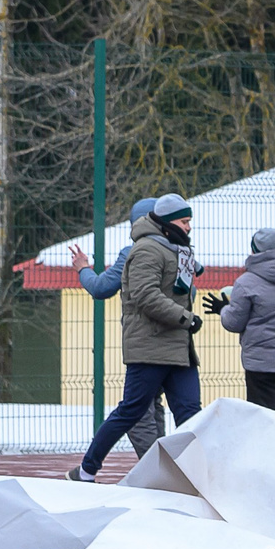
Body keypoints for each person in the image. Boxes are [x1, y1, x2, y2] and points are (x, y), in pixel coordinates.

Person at [71, 194, 201, 481]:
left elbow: (182, 295)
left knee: (189, 413)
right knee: (136, 411)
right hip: (151, 345)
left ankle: (188, 474)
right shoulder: (140, 252)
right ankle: (92, 468)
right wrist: (84, 271)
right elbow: (121, 291)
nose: (189, 227)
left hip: (178, 346)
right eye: (184, 221)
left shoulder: (179, 252)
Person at [70, 197, 168, 458]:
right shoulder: (181, 251)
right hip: (178, 344)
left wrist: (82, 269)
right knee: (168, 407)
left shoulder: (133, 252)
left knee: (137, 411)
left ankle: (154, 466)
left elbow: (101, 287)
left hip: (144, 343)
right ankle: (171, 465)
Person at [205, 227, 275, 419]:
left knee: (263, 417)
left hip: (263, 362)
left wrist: (223, 309)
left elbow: (234, 323)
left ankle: (267, 450)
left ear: (253, 249)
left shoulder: (246, 282)